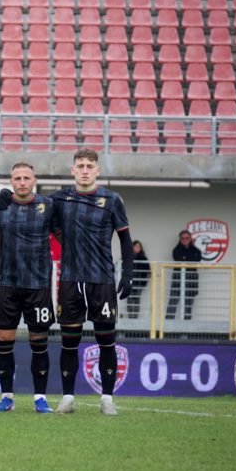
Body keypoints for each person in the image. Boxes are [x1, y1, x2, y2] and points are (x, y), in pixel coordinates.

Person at [0, 162, 61, 414]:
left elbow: (66, 238)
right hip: (7, 285)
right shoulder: (3, 206)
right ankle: (6, 397)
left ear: (34, 180)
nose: (21, 182)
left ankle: (40, 397)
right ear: (11, 181)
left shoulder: (48, 207)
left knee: (39, 341)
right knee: (4, 340)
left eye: (26, 177)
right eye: (17, 178)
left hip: (38, 285)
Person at [51, 148, 134, 416]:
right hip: (70, 280)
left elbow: (124, 239)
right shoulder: (59, 198)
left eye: (90, 165)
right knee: (69, 342)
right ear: (72, 170)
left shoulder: (111, 200)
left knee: (106, 341)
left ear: (98, 170)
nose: (85, 169)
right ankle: (67, 398)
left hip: (102, 280)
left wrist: (129, 273)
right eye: (80, 165)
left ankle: (107, 399)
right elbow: (30, 202)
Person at [166, 231, 202, 320]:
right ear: (180, 239)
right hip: (177, 282)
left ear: (190, 239)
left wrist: (185, 258)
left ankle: (187, 329)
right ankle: (167, 327)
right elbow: (178, 258)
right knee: (172, 304)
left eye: (187, 238)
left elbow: (197, 259)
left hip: (191, 282)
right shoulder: (176, 250)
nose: (185, 240)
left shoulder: (196, 250)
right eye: (183, 238)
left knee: (188, 307)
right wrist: (189, 258)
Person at [128, 241, 150, 319]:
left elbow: (148, 272)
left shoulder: (144, 259)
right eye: (135, 246)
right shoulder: (127, 257)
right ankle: (130, 318)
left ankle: (135, 318)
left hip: (139, 284)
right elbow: (122, 267)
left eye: (138, 246)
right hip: (129, 283)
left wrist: (143, 283)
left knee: (136, 301)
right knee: (130, 301)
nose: (137, 248)